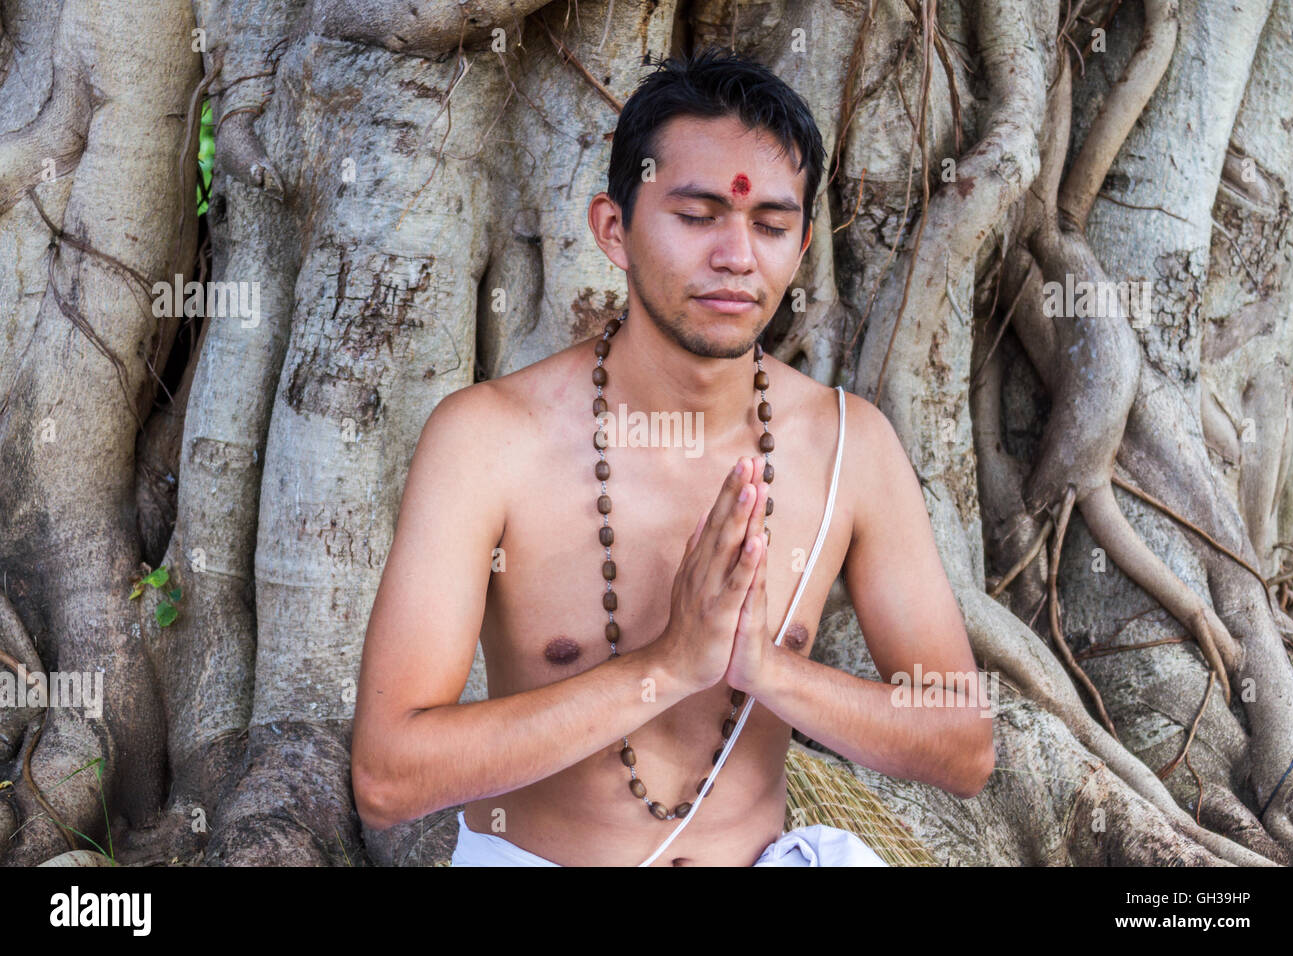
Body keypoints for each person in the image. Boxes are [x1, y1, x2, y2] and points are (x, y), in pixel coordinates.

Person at [351, 47, 993, 867]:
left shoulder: (848, 446)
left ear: (801, 248)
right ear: (613, 230)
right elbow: (389, 775)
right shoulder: (488, 441)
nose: (736, 256)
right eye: (696, 216)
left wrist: (767, 672)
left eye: (770, 224)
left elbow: (965, 749)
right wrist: (667, 665)